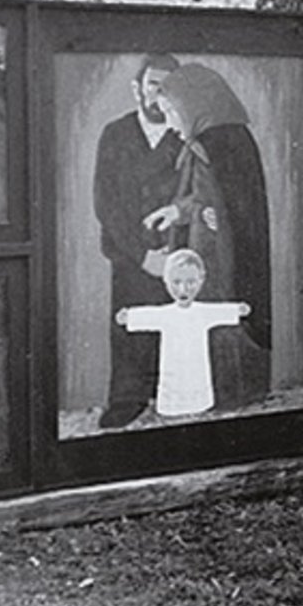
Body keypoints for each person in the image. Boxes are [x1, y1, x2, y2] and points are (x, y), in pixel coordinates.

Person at [142, 63, 273, 410]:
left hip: (221, 251)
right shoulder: (212, 141)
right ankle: (213, 391)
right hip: (210, 244)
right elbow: (206, 196)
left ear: (191, 104)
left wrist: (208, 212)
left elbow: (226, 201)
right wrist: (179, 212)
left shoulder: (218, 143)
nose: (170, 123)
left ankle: (232, 393)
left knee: (219, 311)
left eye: (172, 112)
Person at [92, 53, 182, 430]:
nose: (160, 94)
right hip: (131, 255)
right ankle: (128, 400)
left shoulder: (185, 134)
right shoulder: (115, 133)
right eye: (153, 84)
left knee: (178, 327)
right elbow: (106, 203)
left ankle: (174, 397)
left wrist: (172, 251)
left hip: (178, 253)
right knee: (131, 326)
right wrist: (143, 256)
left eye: (168, 87)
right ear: (137, 88)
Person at [116, 249, 250, 419]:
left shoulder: (202, 312)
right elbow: (148, 315)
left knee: (198, 399)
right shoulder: (165, 314)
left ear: (201, 280)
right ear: (166, 281)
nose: (183, 289)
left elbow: (219, 311)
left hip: (197, 371)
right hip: (172, 374)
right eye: (176, 282)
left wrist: (237, 310)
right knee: (173, 392)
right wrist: (129, 317)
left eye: (191, 282)